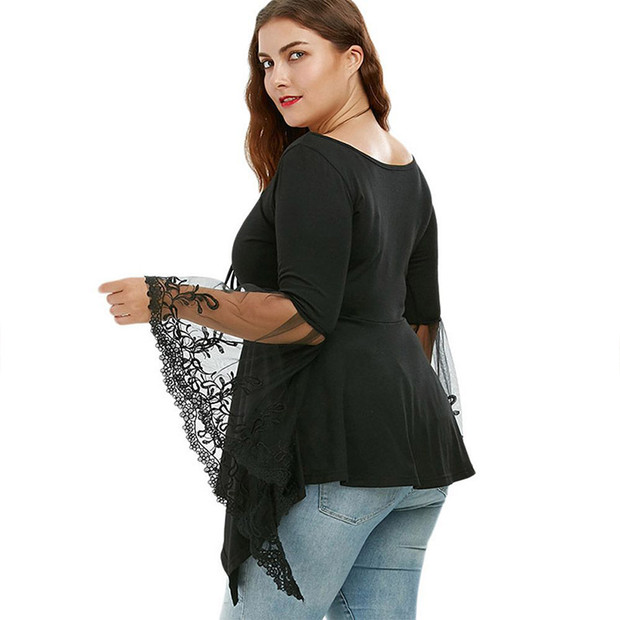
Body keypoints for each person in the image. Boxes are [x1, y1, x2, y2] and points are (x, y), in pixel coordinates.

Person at [98, 0, 476, 617]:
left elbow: (303, 317)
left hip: (337, 457)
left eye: (297, 54)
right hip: (418, 450)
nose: (278, 77)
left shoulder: (316, 161)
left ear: (352, 58)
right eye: (267, 61)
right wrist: (390, 415)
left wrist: (167, 299)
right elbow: (421, 322)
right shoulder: (404, 165)